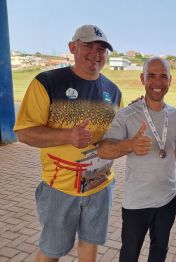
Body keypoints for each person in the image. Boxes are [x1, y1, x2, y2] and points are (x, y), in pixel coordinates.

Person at [14, 24, 123, 262]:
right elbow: (24, 133)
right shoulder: (47, 82)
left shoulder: (113, 91)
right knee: (52, 250)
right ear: (73, 47)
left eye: (102, 49)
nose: (96, 53)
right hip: (60, 189)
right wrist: (67, 136)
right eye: (88, 46)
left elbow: (117, 133)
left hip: (100, 186)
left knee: (90, 244)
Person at [97, 57, 176, 262]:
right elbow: (103, 150)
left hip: (168, 198)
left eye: (163, 76)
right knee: (129, 254)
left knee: (160, 251)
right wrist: (129, 145)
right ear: (142, 79)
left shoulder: (175, 115)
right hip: (136, 202)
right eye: (151, 76)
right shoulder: (127, 115)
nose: (157, 82)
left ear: (170, 80)